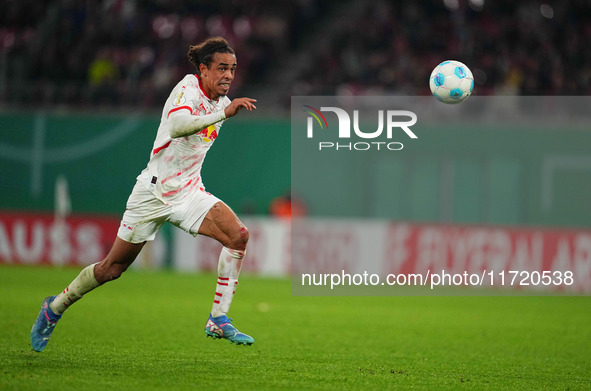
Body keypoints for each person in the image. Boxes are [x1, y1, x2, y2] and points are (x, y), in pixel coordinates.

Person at [30, 37, 257, 351]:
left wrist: (224, 110)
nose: (229, 75)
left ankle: (218, 319)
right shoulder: (187, 89)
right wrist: (224, 114)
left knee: (238, 236)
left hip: (189, 192)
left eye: (232, 69)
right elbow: (178, 126)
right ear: (203, 70)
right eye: (221, 68)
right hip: (153, 192)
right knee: (112, 268)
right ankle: (54, 307)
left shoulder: (222, 102)